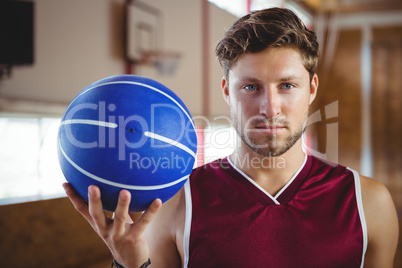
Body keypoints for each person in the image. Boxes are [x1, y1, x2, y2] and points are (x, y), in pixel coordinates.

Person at [63, 7, 399, 268]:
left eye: (286, 85)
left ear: (311, 89)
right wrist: (129, 264)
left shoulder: (368, 203)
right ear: (227, 90)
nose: (270, 107)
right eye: (250, 86)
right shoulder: (177, 204)